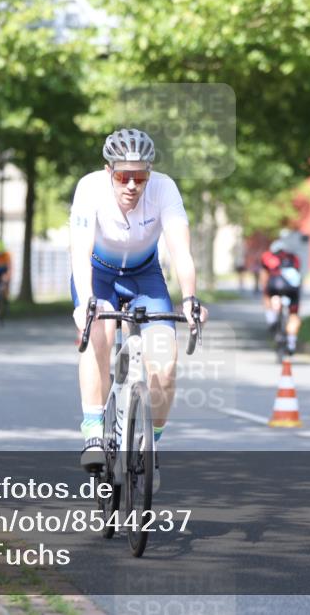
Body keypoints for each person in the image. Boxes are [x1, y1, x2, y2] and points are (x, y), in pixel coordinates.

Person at [69, 128, 208, 487]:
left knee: (165, 362)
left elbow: (180, 252)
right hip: (98, 274)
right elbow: (80, 253)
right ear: (108, 171)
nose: (132, 185)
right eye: (123, 176)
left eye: (140, 176)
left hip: (145, 276)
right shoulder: (89, 189)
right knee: (101, 331)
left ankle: (150, 448)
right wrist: (85, 303)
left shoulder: (164, 189)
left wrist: (190, 299)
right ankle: (93, 431)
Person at [259, 238, 303, 355]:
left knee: (267, 295)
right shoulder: (294, 258)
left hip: (274, 288)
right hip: (292, 290)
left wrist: (264, 289)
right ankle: (292, 343)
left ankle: (271, 319)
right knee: (294, 315)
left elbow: (264, 276)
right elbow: (298, 276)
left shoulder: (268, 257)